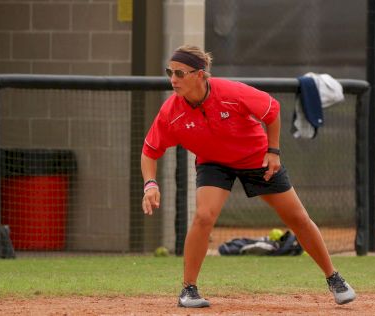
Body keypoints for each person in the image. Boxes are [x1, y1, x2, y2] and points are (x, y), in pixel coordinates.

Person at [141, 45, 356, 308]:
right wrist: (149, 184)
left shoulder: (231, 92)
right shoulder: (171, 112)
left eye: (179, 73)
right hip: (213, 163)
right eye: (169, 72)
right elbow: (150, 150)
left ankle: (334, 278)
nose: (172, 79)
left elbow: (272, 110)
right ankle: (189, 289)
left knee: (297, 218)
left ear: (200, 75)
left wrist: (273, 152)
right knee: (203, 216)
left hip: (256, 159)